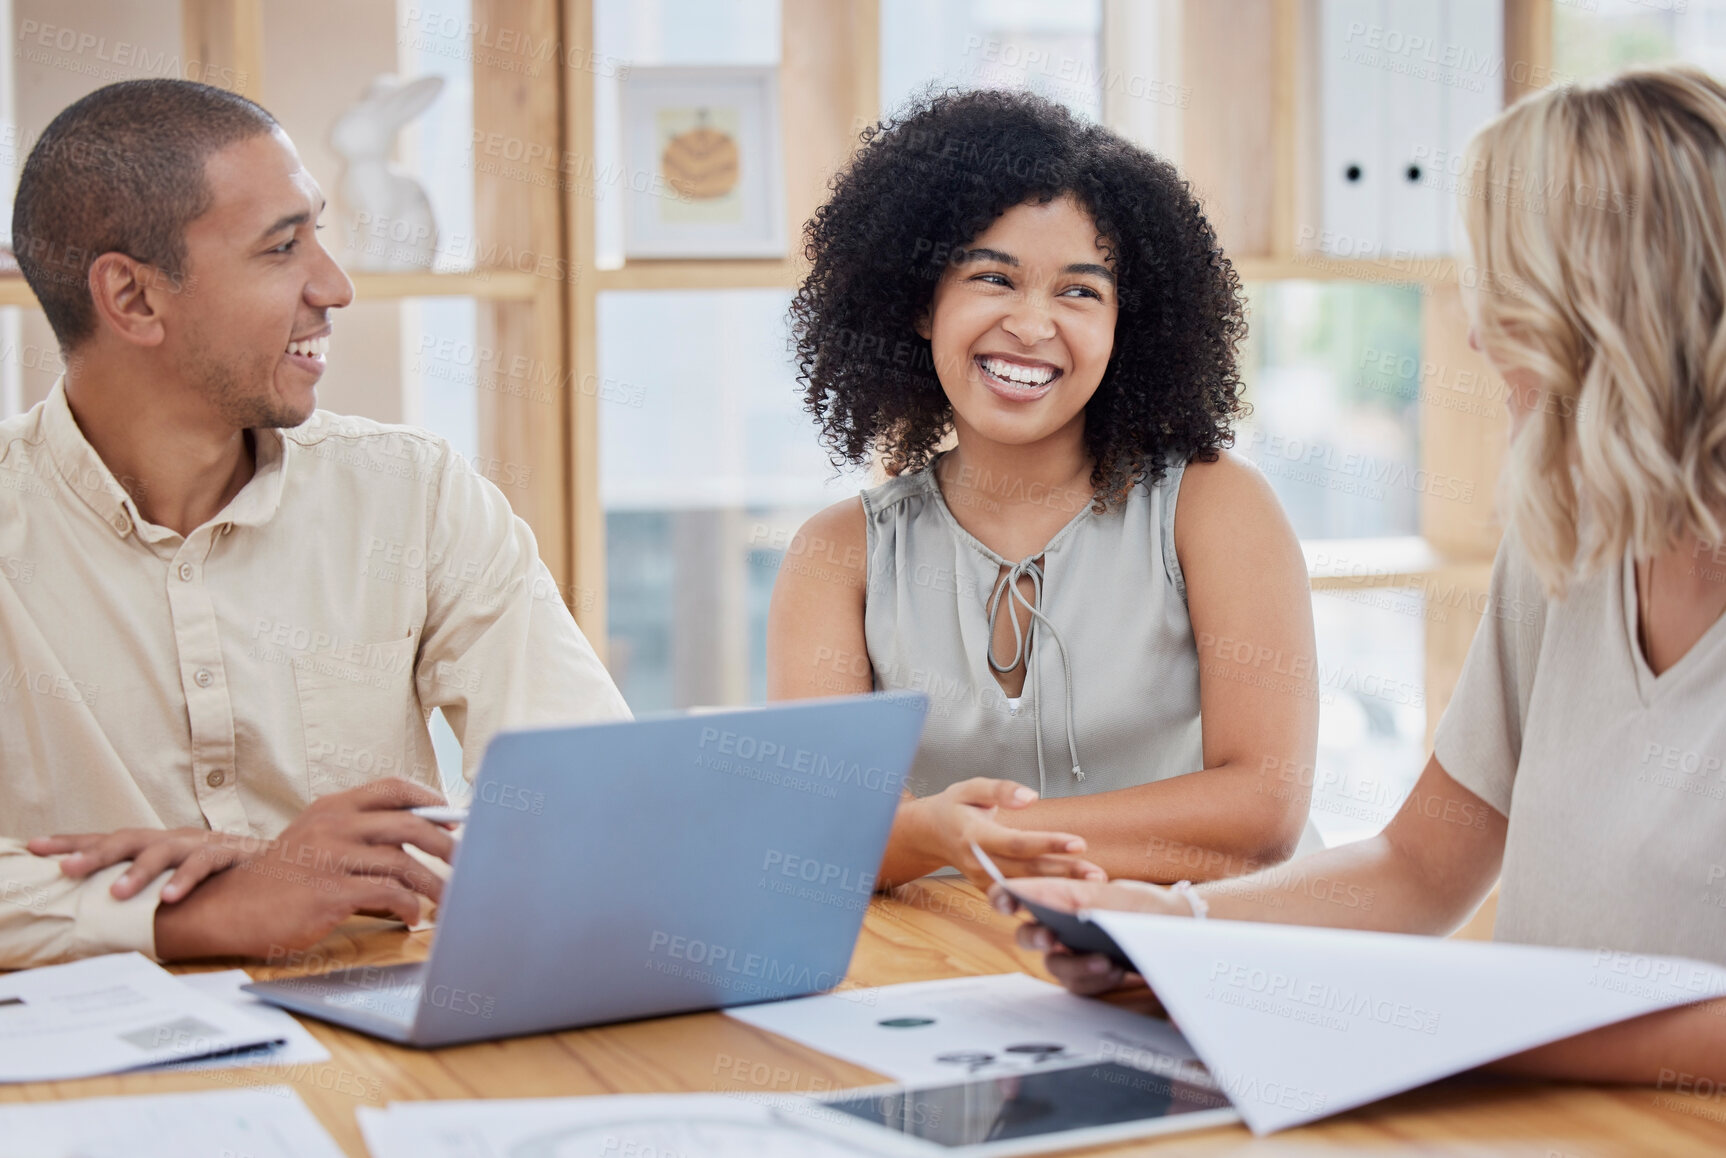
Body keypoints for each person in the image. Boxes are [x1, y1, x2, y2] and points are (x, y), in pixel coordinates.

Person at [1003, 65, 1726, 1085]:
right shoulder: (1568, 542)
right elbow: (1422, 867)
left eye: (1506, 286)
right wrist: (1173, 928)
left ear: (1610, 309)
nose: (1475, 332)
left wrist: (1477, 1028)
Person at [0, 79, 629, 968]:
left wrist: (271, 870)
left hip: (383, 1047)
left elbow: (594, 796)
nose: (334, 285)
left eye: (318, 234)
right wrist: (204, 913)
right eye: (282, 247)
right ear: (134, 300)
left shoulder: (413, 493)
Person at [767, 89, 1320, 889]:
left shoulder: (1215, 507)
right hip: (949, 971)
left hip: (1192, 969)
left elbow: (1262, 815)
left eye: (1080, 291)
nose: (1032, 325)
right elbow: (817, 835)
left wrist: (951, 837)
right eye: (994, 278)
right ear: (921, 304)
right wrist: (925, 839)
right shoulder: (838, 553)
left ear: (1129, 323)